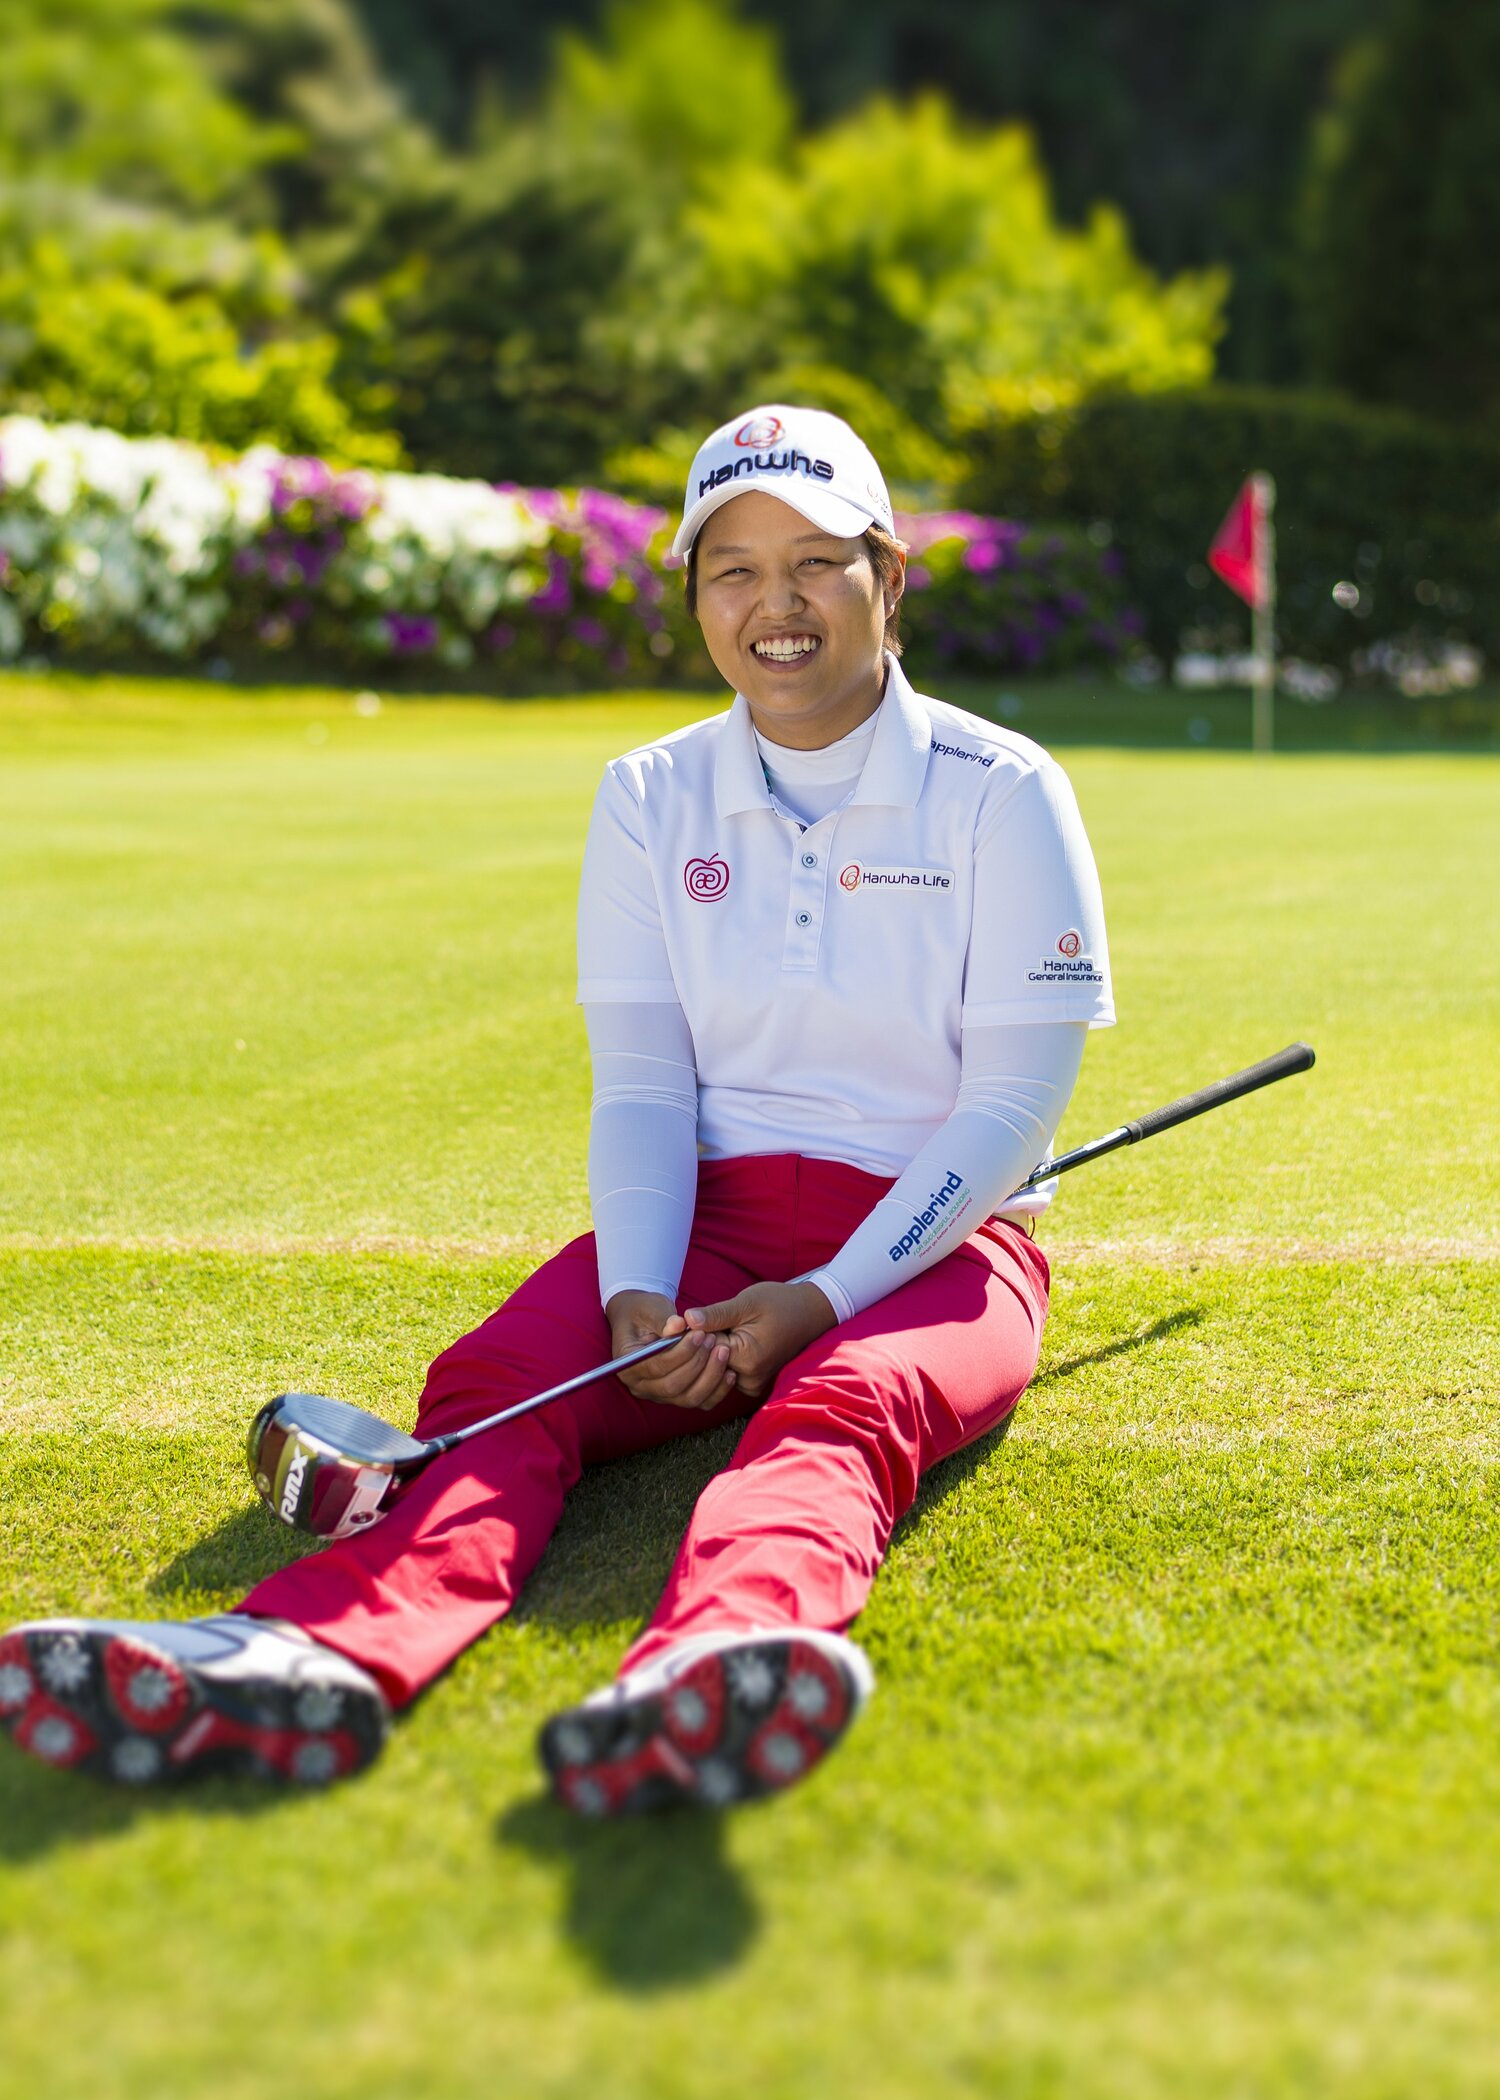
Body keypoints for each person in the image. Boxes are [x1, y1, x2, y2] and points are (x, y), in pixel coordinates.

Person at [0, 405, 1113, 1812]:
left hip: (940, 1245)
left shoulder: (1006, 789)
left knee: (843, 1406)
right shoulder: (651, 793)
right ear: (695, 596)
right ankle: (311, 1656)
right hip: (706, 1218)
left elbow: (1012, 1106)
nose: (776, 604)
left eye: (817, 561)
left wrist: (815, 1302)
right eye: (732, 568)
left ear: (889, 579)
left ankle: (716, 1662)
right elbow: (646, 1082)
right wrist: (642, 1291)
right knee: (492, 1389)